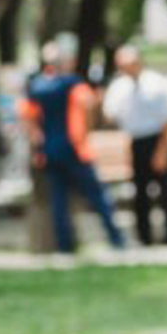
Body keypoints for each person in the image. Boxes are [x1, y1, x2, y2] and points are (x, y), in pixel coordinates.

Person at [18, 55, 131, 253]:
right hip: (76, 149)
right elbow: (89, 104)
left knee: (59, 200)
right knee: (98, 196)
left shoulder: (37, 87)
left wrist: (38, 140)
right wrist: (85, 132)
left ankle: (65, 246)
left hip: (50, 150)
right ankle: (116, 239)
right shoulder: (73, 84)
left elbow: (26, 116)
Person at [109, 47, 167, 245]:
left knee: (165, 193)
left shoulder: (156, 83)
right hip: (136, 141)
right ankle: (144, 238)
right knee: (140, 193)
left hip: (157, 139)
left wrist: (162, 150)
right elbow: (113, 115)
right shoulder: (119, 87)